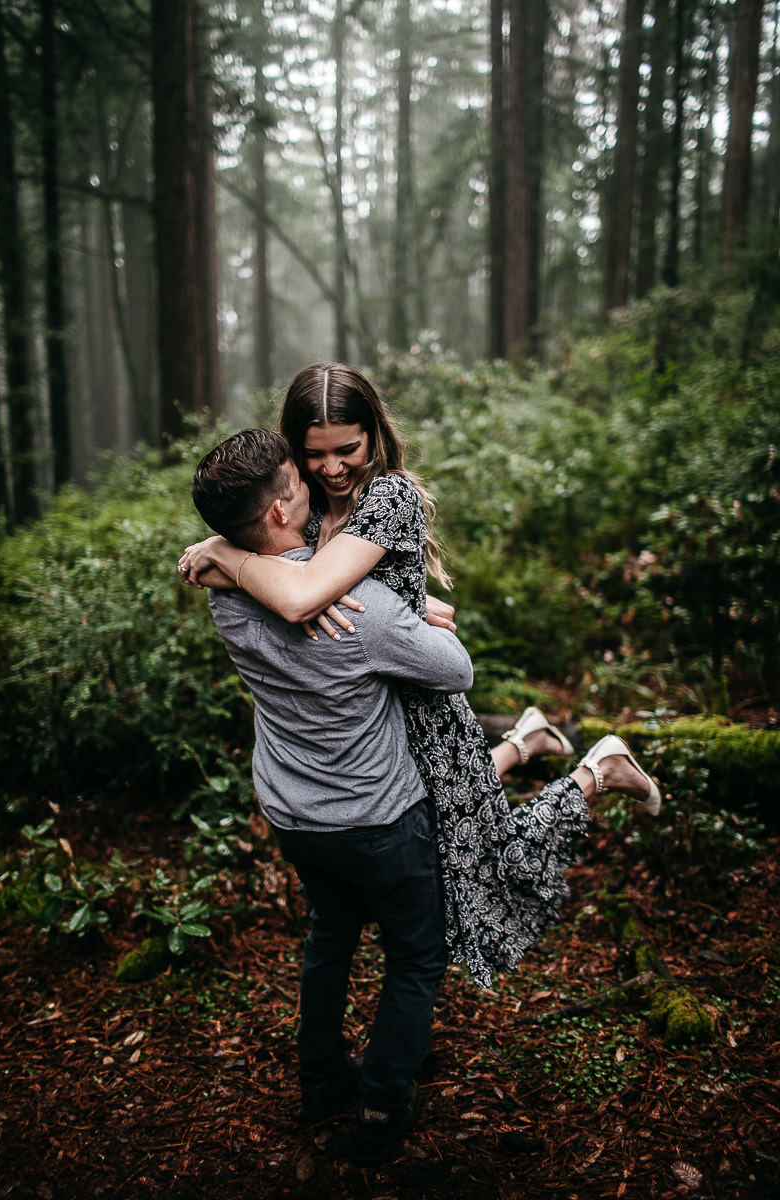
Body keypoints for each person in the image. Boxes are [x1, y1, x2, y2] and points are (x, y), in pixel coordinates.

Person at [188, 425, 660, 1166]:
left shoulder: (225, 591)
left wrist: (224, 553)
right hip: (377, 818)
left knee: (330, 937)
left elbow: (255, 573)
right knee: (416, 953)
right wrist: (407, 614)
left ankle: (321, 1082)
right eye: (299, 478)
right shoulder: (360, 608)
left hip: (293, 815)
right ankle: (382, 1098)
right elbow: (456, 669)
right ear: (280, 512)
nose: (316, 481)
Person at [179, 364, 661, 992]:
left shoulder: (387, 497)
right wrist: (228, 549)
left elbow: (298, 594)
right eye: (313, 454)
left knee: (486, 864)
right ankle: (529, 738)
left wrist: (224, 552)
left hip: (421, 710)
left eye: (346, 449)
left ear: (373, 434)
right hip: (368, 720)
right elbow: (288, 569)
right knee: (429, 872)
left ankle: (600, 769)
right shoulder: (306, 499)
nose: (330, 468)